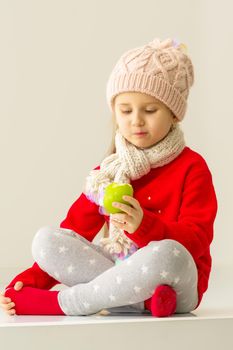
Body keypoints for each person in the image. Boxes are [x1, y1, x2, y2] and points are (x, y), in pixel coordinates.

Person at [0, 38, 218, 317]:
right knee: (46, 240)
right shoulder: (108, 173)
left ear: (174, 114)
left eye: (150, 110)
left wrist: (144, 225)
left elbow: (196, 241)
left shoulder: (192, 167)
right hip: (121, 275)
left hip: (177, 282)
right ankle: (140, 302)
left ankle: (65, 304)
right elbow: (75, 231)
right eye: (125, 110)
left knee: (167, 253)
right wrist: (29, 282)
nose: (136, 120)